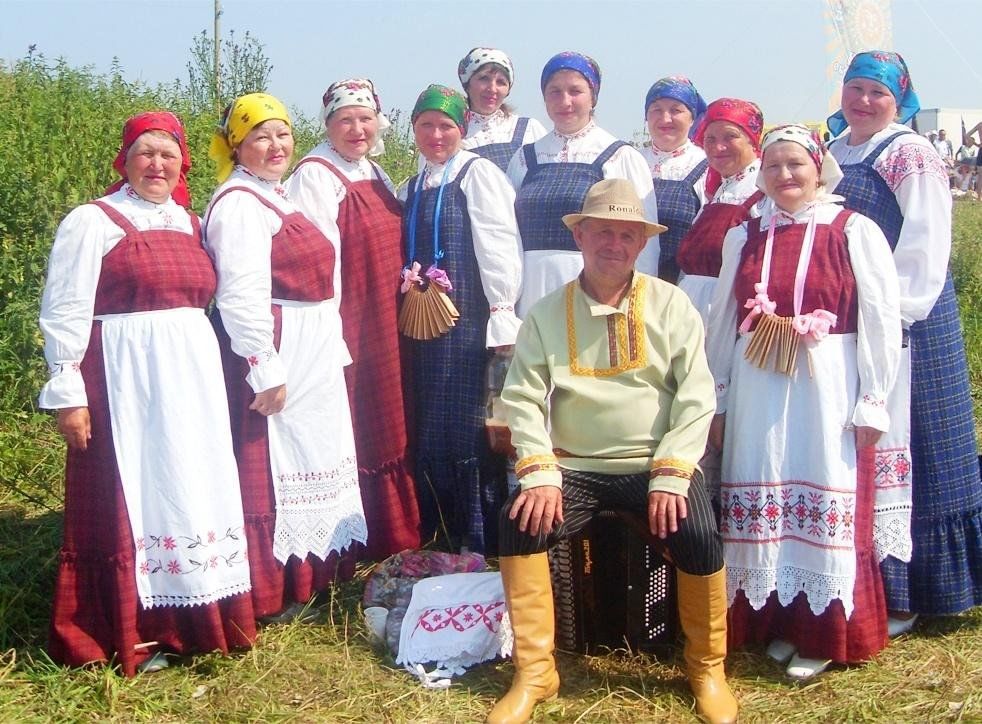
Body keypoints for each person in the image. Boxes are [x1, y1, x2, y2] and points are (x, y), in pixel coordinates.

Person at [492, 179, 736, 724]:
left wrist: (673, 473)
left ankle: (706, 667)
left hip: (656, 466)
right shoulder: (546, 312)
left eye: (627, 235)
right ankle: (536, 672)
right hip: (573, 466)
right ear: (580, 236)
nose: (614, 244)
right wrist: (540, 471)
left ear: (640, 243)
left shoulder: (671, 304)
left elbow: (697, 395)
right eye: (603, 232)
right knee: (519, 524)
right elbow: (523, 398)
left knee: (697, 531)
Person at [39, 112, 255, 676]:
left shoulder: (193, 222)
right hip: (123, 378)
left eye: (168, 155)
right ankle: (128, 630)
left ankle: (195, 620)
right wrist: (68, 389)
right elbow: (65, 306)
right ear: (125, 160)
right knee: (129, 491)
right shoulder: (93, 221)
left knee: (188, 485)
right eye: (145, 154)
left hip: (191, 378)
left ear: (183, 163)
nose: (157, 165)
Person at [706, 125, 901, 679]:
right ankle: (776, 621)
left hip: (827, 383)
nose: (784, 176)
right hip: (758, 380)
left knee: (821, 489)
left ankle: (823, 632)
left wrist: (874, 398)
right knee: (765, 484)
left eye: (796, 164)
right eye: (773, 167)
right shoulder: (744, 235)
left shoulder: (853, 229)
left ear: (819, 167)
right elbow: (722, 320)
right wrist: (718, 397)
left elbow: (881, 322)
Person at [827, 51, 981, 632]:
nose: (863, 101)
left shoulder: (910, 153)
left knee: (916, 446)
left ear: (900, 101)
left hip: (906, 320)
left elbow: (922, 246)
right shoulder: (838, 150)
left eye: (877, 93)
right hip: (855, 319)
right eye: (855, 89)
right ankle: (870, 577)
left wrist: (893, 319)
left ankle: (916, 589)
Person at [205, 93, 367, 623]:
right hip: (280, 345)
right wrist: (262, 366)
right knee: (273, 461)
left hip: (312, 340)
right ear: (237, 146)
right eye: (260, 136)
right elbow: (240, 291)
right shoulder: (239, 204)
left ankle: (312, 577)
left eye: (282, 134)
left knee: (313, 455)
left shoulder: (276, 195)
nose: (276, 146)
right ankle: (269, 592)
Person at [286, 78, 422, 560]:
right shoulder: (315, 175)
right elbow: (316, 259)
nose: (357, 128)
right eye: (345, 120)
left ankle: (395, 531)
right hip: (351, 318)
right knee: (358, 417)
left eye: (365, 119)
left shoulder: (377, 172)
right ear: (328, 125)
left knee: (388, 413)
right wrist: (331, 330)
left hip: (385, 314)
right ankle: (357, 536)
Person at [400, 85, 523, 554]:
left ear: (463, 128)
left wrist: (502, 312)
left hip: (467, 321)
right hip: (420, 325)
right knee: (428, 421)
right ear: (413, 130)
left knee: (466, 423)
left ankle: (479, 535)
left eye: (445, 126)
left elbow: (498, 243)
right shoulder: (409, 186)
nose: (435, 135)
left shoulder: (478, 174)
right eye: (426, 125)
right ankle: (438, 529)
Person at [507, 51, 660, 316]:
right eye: (554, 91)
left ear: (593, 97)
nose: (564, 101)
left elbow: (643, 243)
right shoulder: (524, 158)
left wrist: (634, 304)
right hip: (531, 288)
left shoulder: (619, 156)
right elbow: (508, 234)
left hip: (595, 290)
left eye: (575, 91)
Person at [675, 98, 765, 325]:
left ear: (752, 139)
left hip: (727, 314)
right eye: (710, 139)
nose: (718, 147)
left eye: (730, 137)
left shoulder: (763, 190)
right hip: (694, 312)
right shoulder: (719, 191)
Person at [641, 76, 709, 284]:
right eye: (656, 109)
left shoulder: (706, 166)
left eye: (676, 110)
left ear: (692, 118)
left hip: (678, 285)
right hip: (624, 281)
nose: (665, 118)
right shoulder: (627, 159)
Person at [456, 47, 548, 171]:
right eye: (484, 79)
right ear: (467, 83)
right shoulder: (453, 134)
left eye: (501, 82)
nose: (492, 89)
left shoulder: (529, 129)